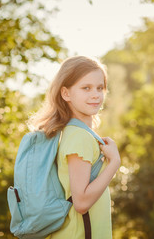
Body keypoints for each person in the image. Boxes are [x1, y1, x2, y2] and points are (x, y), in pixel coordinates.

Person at [27, 55, 121, 239]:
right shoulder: (79, 137)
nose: (95, 94)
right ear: (66, 93)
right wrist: (114, 163)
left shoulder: (76, 133)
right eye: (86, 88)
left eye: (100, 88)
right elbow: (81, 202)